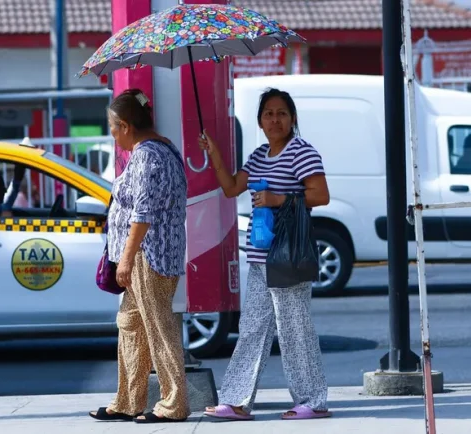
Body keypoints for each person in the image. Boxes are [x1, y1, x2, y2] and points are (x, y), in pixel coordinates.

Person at [199, 88, 332, 421]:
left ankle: (313, 401)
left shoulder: (302, 152)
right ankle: (237, 401)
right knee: (252, 329)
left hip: (288, 256)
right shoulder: (259, 155)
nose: (275, 119)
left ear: (293, 118)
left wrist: (279, 199)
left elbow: (321, 196)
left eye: (282, 113)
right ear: (260, 120)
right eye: (268, 113)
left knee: (295, 331)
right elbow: (231, 188)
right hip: (259, 258)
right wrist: (214, 153)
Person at [89, 89, 190, 424]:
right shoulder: (160, 148)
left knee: (159, 327)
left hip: (150, 256)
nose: (113, 134)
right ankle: (129, 400)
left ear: (126, 125)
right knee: (131, 325)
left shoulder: (148, 155)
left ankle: (174, 404)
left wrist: (127, 258)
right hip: (146, 255)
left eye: (113, 128)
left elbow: (143, 212)